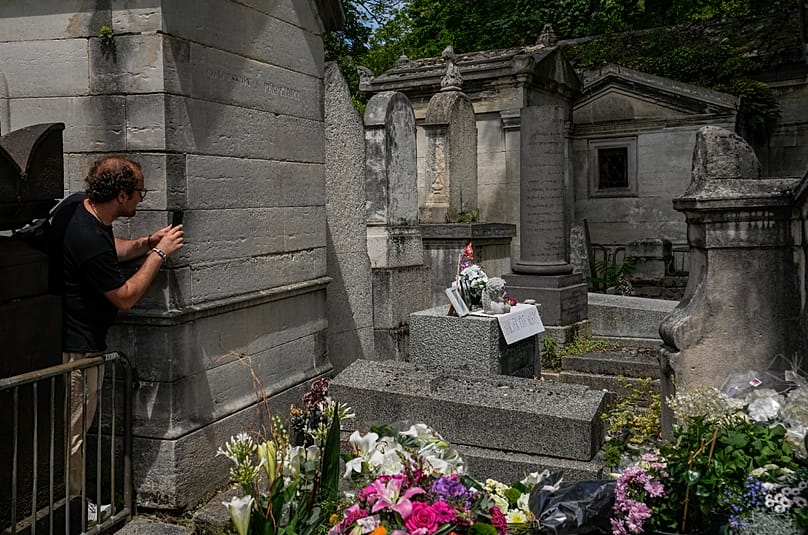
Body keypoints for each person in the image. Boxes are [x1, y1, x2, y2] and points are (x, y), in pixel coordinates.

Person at [57, 156, 184, 499]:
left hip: (76, 341)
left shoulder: (80, 209)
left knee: (74, 430)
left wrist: (144, 243)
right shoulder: (86, 234)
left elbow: (106, 251)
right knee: (74, 434)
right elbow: (125, 297)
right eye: (140, 192)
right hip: (78, 350)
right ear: (122, 195)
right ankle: (73, 509)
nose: (142, 199)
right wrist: (159, 254)